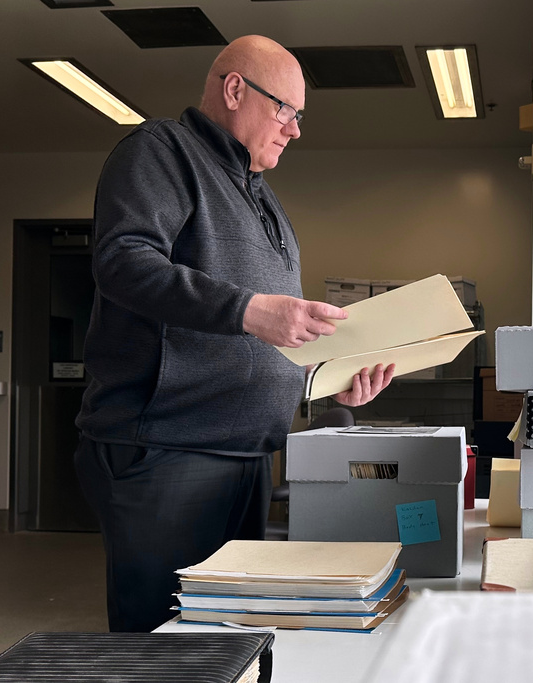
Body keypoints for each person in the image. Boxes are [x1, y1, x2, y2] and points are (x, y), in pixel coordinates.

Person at [73, 35, 394, 632]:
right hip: (169, 450)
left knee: (228, 641)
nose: (294, 130)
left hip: (249, 455)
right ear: (235, 89)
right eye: (286, 110)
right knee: (165, 647)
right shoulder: (161, 151)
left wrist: (329, 379)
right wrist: (249, 310)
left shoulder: (264, 199)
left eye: (300, 116)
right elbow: (123, 262)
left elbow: (269, 344)